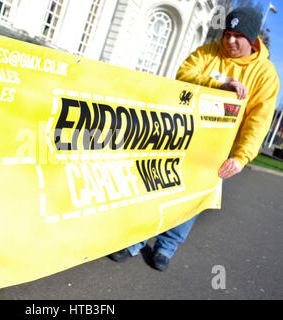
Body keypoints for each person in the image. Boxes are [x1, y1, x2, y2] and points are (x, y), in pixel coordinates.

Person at [109, 6, 280, 271]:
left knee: (191, 201)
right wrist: (219, 86)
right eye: (227, 33)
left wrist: (242, 157)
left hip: (217, 153)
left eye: (237, 36)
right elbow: (184, 75)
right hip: (181, 138)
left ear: (252, 38)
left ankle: (166, 247)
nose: (229, 41)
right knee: (159, 188)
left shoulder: (266, 75)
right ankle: (136, 240)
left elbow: (259, 120)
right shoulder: (208, 53)